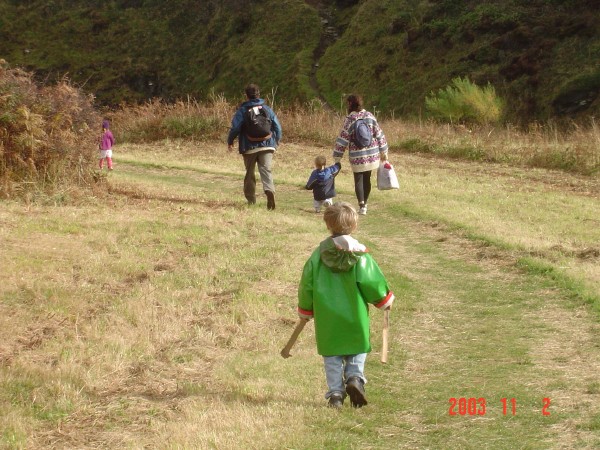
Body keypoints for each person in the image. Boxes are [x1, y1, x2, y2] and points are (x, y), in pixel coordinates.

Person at [297, 201, 394, 408]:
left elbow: (307, 283)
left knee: (332, 355)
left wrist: (306, 309)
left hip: (327, 317)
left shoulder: (318, 256)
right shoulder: (360, 255)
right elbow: (371, 281)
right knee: (357, 347)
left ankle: (336, 395)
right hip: (354, 312)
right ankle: (354, 378)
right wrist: (383, 299)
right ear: (354, 226)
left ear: (327, 225)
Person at [227, 84, 282, 210]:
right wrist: (276, 140)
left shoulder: (243, 110)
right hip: (268, 144)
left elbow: (235, 128)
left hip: (249, 146)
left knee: (250, 173)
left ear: (246, 96)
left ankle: (251, 201)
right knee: (266, 170)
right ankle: (269, 191)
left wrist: (230, 141)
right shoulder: (267, 109)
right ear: (259, 94)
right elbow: (277, 126)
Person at [333, 94, 389, 215]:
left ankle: (361, 204)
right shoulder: (369, 115)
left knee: (358, 180)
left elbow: (342, 139)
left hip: (356, 156)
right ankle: (366, 204)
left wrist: (337, 156)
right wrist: (384, 151)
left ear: (350, 104)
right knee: (367, 179)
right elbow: (379, 134)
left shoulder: (350, 119)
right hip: (372, 155)